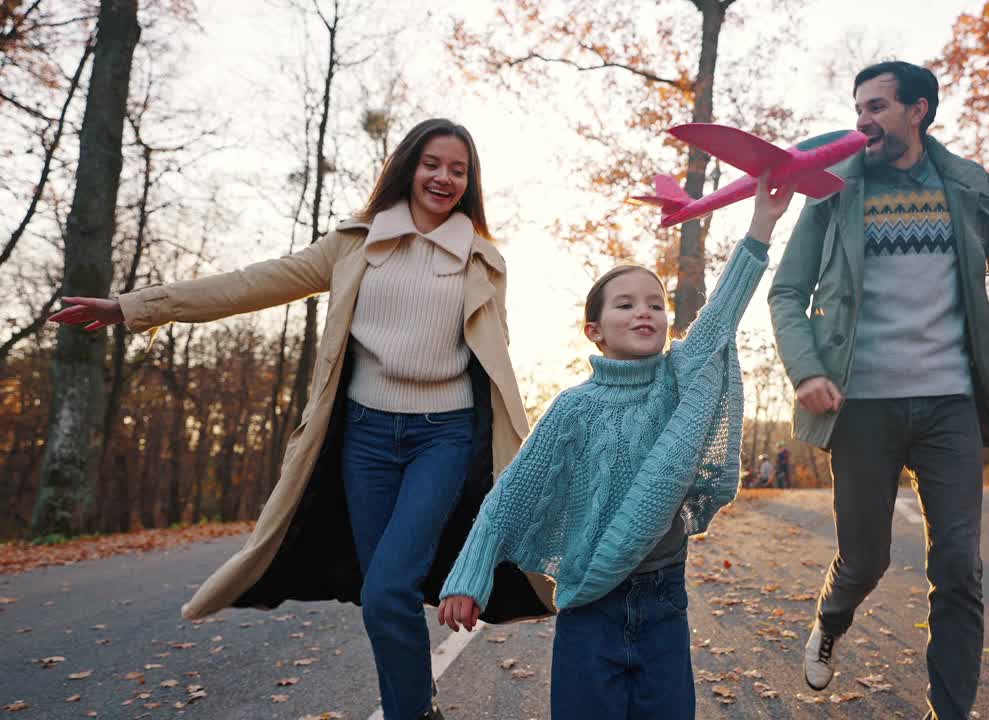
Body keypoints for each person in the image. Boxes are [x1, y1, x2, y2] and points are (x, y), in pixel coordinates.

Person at [49, 118, 553, 720]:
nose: (443, 177)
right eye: (432, 163)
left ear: (470, 183)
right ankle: (420, 706)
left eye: (458, 169)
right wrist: (133, 307)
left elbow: (495, 364)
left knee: (392, 585)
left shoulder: (482, 262)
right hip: (364, 438)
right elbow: (250, 284)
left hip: (442, 439)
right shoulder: (354, 246)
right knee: (378, 596)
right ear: (408, 168)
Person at [435, 176, 797, 720]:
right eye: (625, 305)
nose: (644, 312)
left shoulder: (679, 382)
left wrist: (761, 226)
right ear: (594, 329)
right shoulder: (573, 408)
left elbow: (720, 318)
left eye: (655, 303)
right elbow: (510, 496)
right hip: (590, 605)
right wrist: (469, 575)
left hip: (664, 599)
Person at [768, 61, 989, 720]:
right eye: (858, 106)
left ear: (918, 110)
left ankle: (949, 711)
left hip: (950, 402)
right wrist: (807, 368)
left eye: (876, 107)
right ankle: (831, 623)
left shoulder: (968, 185)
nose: (861, 120)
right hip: (859, 406)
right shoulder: (834, 187)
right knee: (864, 560)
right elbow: (789, 289)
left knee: (959, 567)